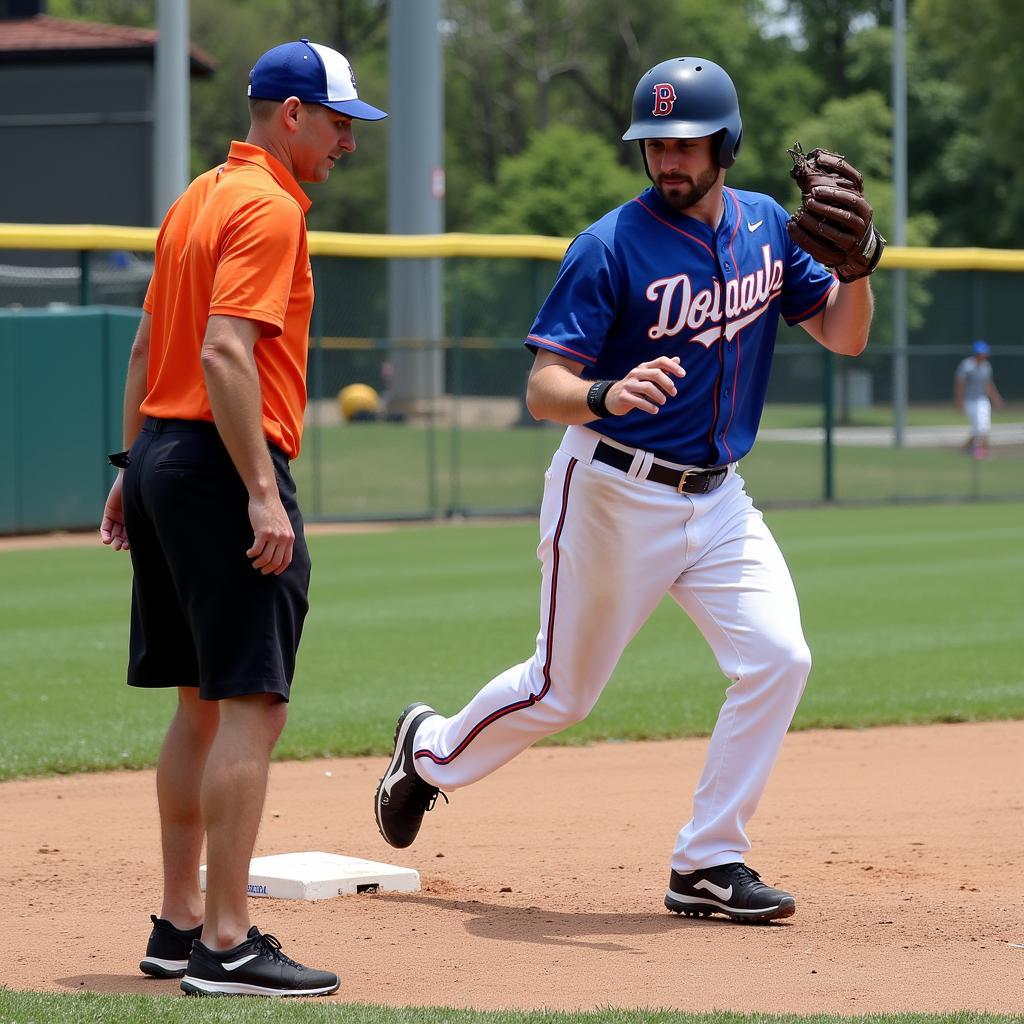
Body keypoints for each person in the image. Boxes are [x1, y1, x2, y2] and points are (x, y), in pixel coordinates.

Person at [375, 57, 880, 924]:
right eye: (655, 145)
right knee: (562, 692)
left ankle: (709, 863)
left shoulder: (766, 226)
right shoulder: (608, 245)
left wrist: (864, 267)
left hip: (720, 500)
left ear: (725, 145)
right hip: (613, 491)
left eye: (685, 144)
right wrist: (604, 393)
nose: (668, 161)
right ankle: (428, 752)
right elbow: (544, 389)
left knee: (779, 657)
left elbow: (844, 336)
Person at [100, 39, 386, 996]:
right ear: (293, 114)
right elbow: (225, 354)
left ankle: (179, 924)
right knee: (253, 707)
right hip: (222, 467)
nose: (348, 139)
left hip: (164, 458)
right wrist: (263, 492)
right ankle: (226, 942)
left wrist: (130, 463)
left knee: (197, 703)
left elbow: (150, 343)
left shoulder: (200, 194)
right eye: (340, 120)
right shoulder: (268, 206)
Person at [955, 340, 1003, 459]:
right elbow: (960, 384)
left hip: (982, 399)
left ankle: (979, 450)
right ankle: (974, 450)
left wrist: (996, 398)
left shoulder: (986, 367)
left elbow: (988, 384)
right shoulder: (967, 365)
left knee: (984, 427)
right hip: (970, 400)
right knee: (977, 428)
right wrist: (959, 401)